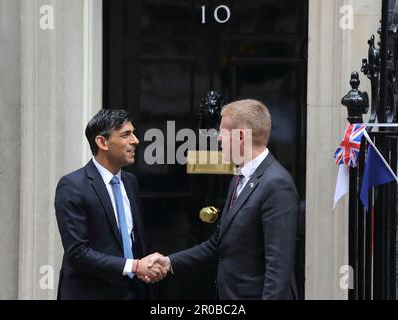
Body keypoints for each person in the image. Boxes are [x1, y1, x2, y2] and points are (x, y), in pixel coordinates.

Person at [148, 99, 299, 300]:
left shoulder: (276, 184)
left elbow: (278, 269)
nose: (218, 139)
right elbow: (217, 244)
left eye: (223, 132)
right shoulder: (239, 179)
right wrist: (169, 262)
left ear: (241, 137)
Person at [54, 109, 166, 300]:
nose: (135, 141)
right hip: (91, 293)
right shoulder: (72, 186)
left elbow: (134, 239)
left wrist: (145, 270)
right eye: (126, 135)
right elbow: (78, 253)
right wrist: (135, 266)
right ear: (102, 142)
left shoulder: (130, 182)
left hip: (134, 292)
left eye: (133, 133)